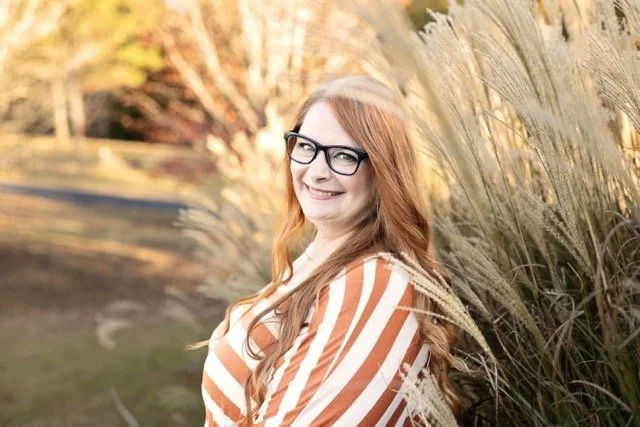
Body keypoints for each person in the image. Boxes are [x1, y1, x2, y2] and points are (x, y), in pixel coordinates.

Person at [200, 75, 459, 426]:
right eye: (306, 146)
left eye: (342, 155)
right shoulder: (321, 264)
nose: (316, 171)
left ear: (383, 170)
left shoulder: (376, 284)